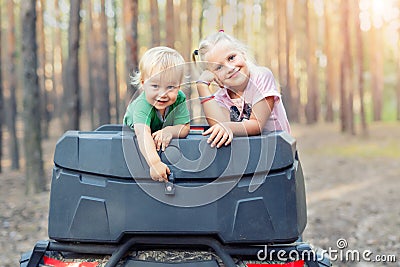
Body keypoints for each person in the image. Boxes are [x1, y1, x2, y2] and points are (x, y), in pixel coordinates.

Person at [192, 31, 290, 148]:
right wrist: (202, 86)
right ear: (214, 77)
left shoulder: (261, 77)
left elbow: (257, 124)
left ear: (243, 54)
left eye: (231, 58)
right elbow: (220, 128)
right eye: (219, 67)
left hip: (280, 152)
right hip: (250, 157)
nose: (229, 68)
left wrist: (227, 127)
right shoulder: (220, 98)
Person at [123, 46, 190, 182]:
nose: (162, 94)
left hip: (159, 127)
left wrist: (170, 130)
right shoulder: (142, 105)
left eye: (170, 87)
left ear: (179, 86)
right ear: (143, 84)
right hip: (138, 130)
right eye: (155, 86)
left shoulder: (179, 98)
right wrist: (155, 163)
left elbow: (184, 127)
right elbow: (143, 135)